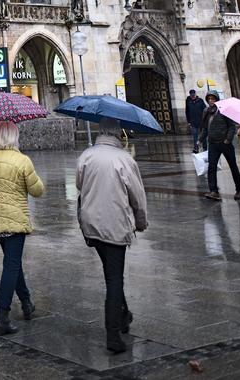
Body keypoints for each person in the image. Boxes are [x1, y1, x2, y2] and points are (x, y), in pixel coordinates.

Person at [76, 118, 147, 355]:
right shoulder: (124, 159)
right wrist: (141, 221)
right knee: (114, 279)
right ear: (119, 134)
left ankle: (124, 314)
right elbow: (137, 196)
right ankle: (113, 334)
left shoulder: (86, 155)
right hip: (114, 225)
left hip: (91, 224)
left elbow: (79, 184)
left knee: (111, 272)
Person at [0, 120, 44, 336]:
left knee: (12, 263)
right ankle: (2, 315)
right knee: (11, 265)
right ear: (14, 137)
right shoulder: (22, 160)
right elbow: (38, 191)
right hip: (14, 220)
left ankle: (26, 303)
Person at [199, 91, 240, 201]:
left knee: (233, 166)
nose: (210, 100)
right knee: (211, 167)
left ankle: (239, 190)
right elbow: (205, 128)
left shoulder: (224, 110)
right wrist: (199, 140)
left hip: (225, 144)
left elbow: (231, 127)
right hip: (213, 144)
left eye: (213, 98)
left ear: (217, 99)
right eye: (209, 99)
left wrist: (227, 140)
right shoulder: (206, 111)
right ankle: (213, 191)